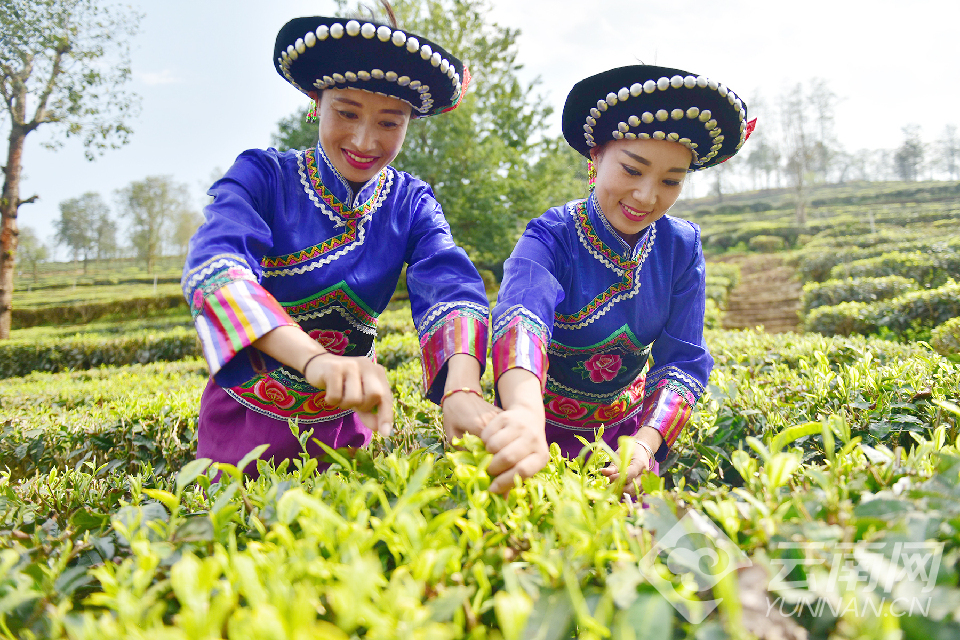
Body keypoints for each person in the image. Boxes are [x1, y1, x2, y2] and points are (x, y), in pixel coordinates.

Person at [182, 10, 497, 476]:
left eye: (390, 123)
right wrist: (315, 361)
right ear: (316, 102)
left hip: (350, 427)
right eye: (347, 113)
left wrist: (463, 389)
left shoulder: (411, 203)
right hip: (243, 427)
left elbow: (452, 291)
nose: (365, 140)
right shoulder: (263, 178)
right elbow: (216, 271)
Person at [483, 65, 754, 494]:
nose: (647, 196)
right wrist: (523, 416)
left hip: (629, 440)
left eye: (670, 181)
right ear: (596, 158)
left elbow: (682, 361)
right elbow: (521, 320)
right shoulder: (551, 237)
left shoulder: (681, 246)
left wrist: (646, 446)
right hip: (534, 429)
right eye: (632, 170)